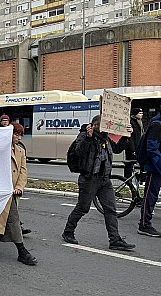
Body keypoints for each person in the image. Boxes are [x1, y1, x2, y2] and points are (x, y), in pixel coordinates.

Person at [62, 115, 135, 251]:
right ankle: (68, 231)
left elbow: (117, 148)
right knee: (83, 208)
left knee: (111, 209)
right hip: (89, 179)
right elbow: (79, 152)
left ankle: (115, 240)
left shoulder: (105, 137)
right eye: (104, 125)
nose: (107, 127)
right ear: (95, 125)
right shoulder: (85, 136)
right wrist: (89, 138)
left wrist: (126, 135)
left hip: (104, 180)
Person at [0, 123, 37, 265]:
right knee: (13, 219)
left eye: (20, 135)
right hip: (2, 192)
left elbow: (23, 171)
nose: (18, 137)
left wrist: (19, 186)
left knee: (0, 219)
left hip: (13, 191)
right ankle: (22, 251)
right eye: (16, 134)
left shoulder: (20, 151)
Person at [138, 108, 161, 237]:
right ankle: (144, 224)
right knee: (150, 195)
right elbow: (152, 148)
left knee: (152, 195)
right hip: (155, 168)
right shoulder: (157, 125)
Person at [124, 107, 144, 180]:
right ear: (135, 114)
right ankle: (127, 180)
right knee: (129, 164)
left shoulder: (139, 122)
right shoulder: (131, 122)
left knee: (141, 163)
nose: (142, 115)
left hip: (138, 146)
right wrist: (133, 149)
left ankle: (140, 178)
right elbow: (130, 137)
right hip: (132, 147)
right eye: (140, 113)